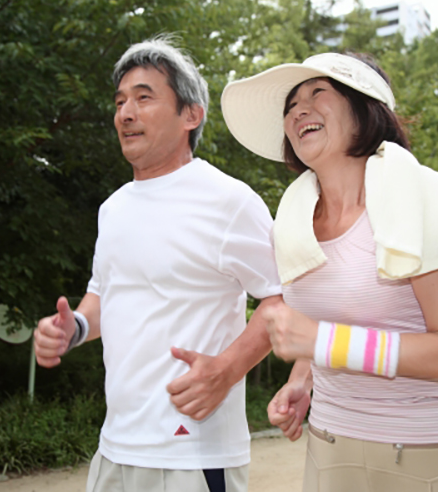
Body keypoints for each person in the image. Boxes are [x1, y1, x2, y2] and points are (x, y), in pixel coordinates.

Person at [221, 52, 438, 491]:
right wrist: (302, 381)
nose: (299, 111)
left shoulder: (420, 197)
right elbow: (328, 324)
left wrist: (323, 342)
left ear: (363, 106)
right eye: (290, 106)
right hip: (330, 447)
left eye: (317, 93)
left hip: (430, 452)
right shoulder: (293, 220)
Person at [33, 37, 282, 492]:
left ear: (191, 115)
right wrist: (73, 330)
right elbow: (106, 296)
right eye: (120, 101)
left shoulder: (229, 200)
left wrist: (226, 369)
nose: (125, 113)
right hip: (115, 448)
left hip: (192, 454)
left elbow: (284, 301)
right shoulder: (113, 208)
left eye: (144, 98)